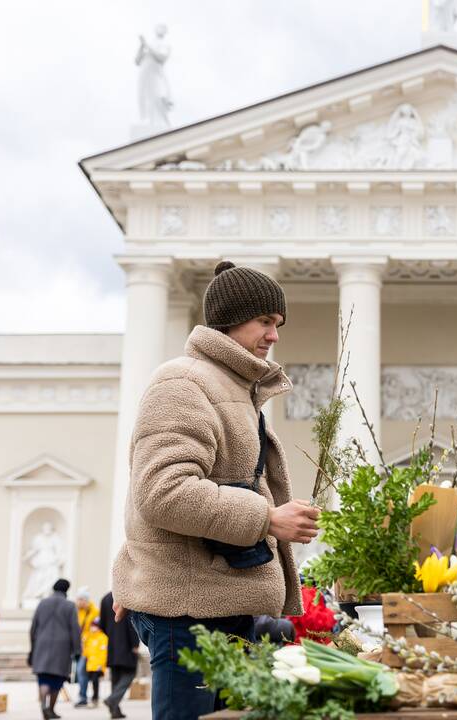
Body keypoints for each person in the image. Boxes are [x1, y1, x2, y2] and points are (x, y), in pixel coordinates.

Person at [112, 261, 320, 720]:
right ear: (230, 319)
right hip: (188, 615)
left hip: (216, 607)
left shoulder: (231, 386)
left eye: (278, 324)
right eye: (265, 322)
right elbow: (162, 492)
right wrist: (268, 518)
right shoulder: (183, 382)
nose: (274, 336)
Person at [29, 579, 82, 720]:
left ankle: (43, 707)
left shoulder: (42, 603)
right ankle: (51, 709)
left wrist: (33, 647)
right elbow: (75, 630)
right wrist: (77, 650)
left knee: (43, 679)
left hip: (42, 644)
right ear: (66, 590)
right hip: (62, 647)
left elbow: (33, 627)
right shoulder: (70, 606)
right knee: (57, 679)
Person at [99, 591, 140, 720]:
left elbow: (102, 624)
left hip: (112, 644)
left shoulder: (105, 598)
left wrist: (111, 635)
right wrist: (135, 643)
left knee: (115, 678)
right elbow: (131, 622)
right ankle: (112, 700)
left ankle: (115, 710)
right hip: (127, 644)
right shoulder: (126, 595)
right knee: (130, 673)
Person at [73, 587, 99, 708]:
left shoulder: (94, 612)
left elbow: (95, 630)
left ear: (86, 600)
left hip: (89, 648)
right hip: (79, 647)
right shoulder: (77, 611)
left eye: (81, 599)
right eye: (77, 599)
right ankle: (87, 696)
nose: (78, 602)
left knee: (82, 671)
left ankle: (84, 697)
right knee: (82, 672)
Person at [81, 618, 107, 708]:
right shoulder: (90, 638)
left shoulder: (103, 638)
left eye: (95, 626)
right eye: (92, 626)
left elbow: (104, 653)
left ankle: (95, 698)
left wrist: (101, 665)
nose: (93, 628)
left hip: (98, 665)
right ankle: (91, 698)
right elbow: (86, 652)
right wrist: (83, 644)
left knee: (95, 682)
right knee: (91, 682)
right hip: (90, 665)